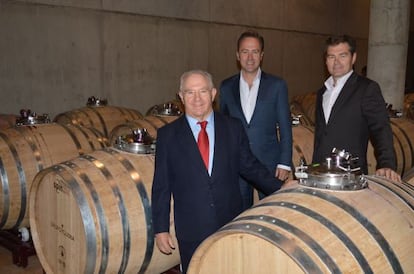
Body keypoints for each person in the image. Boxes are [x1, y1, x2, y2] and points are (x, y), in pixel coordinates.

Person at [151, 70, 285, 273]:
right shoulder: (167, 136)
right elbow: (161, 185)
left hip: (229, 223)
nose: (197, 99)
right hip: (191, 227)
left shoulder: (232, 127)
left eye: (203, 91)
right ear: (181, 96)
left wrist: (282, 187)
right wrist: (160, 229)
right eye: (190, 92)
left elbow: (250, 167)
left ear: (213, 94)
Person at [312, 34, 401, 182]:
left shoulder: (367, 88)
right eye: (331, 56)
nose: (336, 62)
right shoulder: (323, 92)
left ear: (353, 58)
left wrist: (387, 164)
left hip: (350, 175)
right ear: (325, 60)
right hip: (321, 173)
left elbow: (381, 129)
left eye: (342, 55)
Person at [219, 30, 292, 210]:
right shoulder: (226, 87)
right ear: (238, 55)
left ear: (262, 55)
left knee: (274, 211)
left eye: (255, 51)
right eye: (245, 51)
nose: (250, 57)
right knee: (239, 213)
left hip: (271, 163)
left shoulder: (277, 85)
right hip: (239, 163)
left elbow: (285, 127)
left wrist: (284, 162)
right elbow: (224, 129)